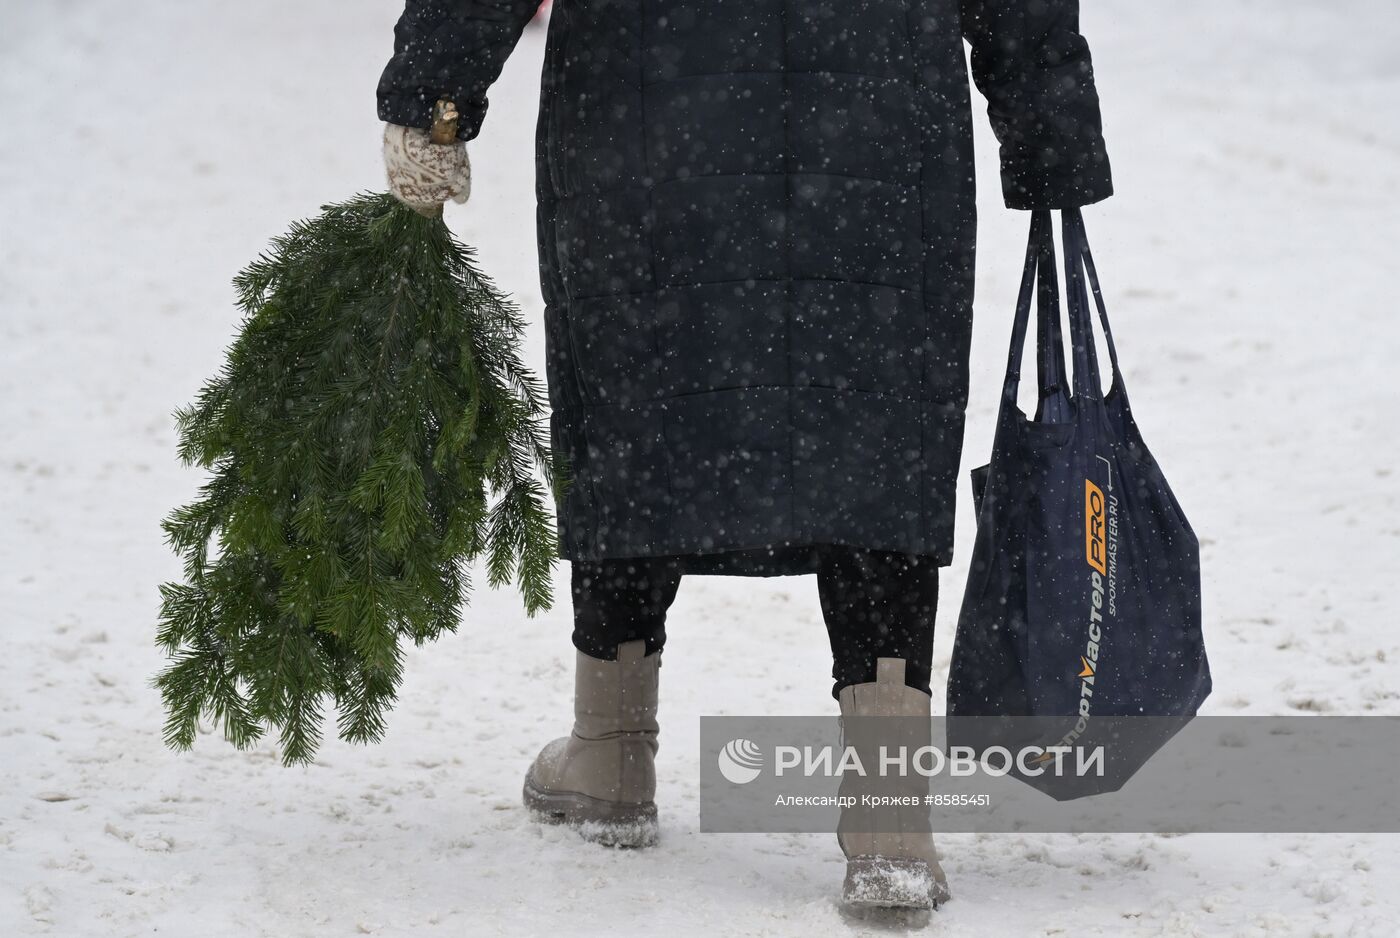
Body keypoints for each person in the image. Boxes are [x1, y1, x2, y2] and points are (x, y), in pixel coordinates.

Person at [378, 0, 1110, 911]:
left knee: (636, 397)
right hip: (876, 101)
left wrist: (436, 94)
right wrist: (1046, 115)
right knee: (871, 421)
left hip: (645, 96)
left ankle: (610, 750)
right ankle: (889, 818)